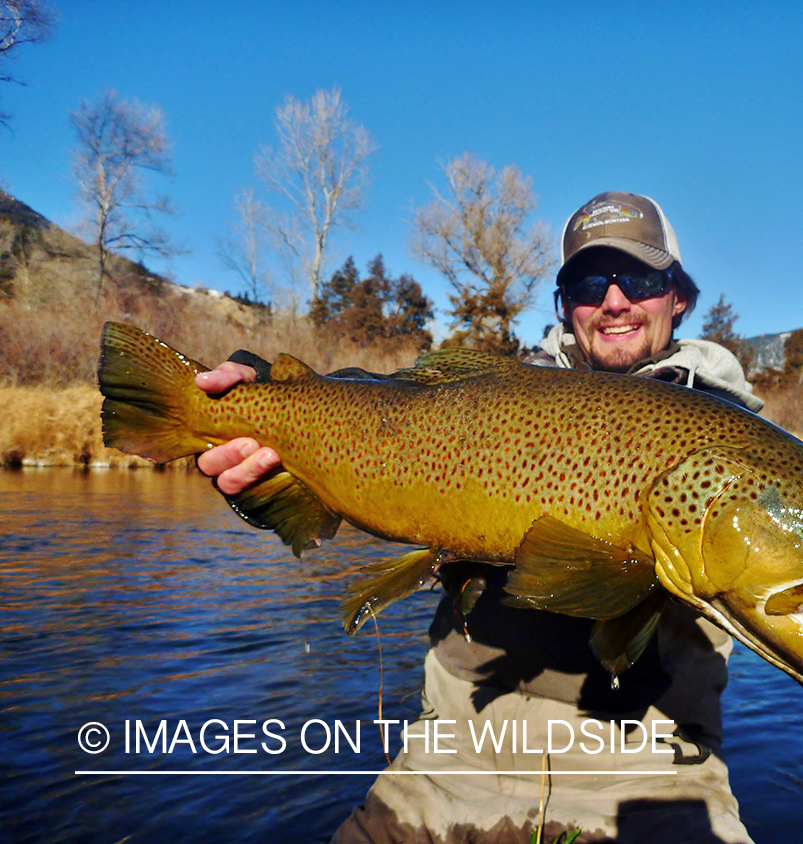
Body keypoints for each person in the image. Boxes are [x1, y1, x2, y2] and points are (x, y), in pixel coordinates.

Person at [197, 191, 763, 843]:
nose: (612, 301)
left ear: (677, 297)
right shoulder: (492, 406)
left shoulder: (742, 444)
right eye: (587, 282)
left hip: (655, 792)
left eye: (637, 279)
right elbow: (384, 412)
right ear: (563, 304)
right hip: (445, 777)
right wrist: (266, 413)